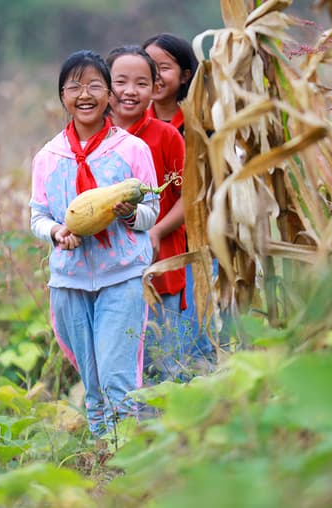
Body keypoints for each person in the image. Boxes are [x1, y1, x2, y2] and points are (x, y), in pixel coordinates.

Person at [29, 49, 159, 437]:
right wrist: (56, 232)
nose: (84, 95)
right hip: (69, 280)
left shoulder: (133, 150)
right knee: (93, 384)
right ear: (62, 96)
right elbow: (38, 216)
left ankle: (127, 455)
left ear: (109, 95)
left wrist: (129, 215)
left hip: (122, 276)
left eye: (94, 86)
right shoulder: (47, 157)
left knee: (118, 378)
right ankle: (103, 459)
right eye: (74, 87)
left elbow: (151, 212)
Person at [106, 45, 187, 383]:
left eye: (141, 83)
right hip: (107, 269)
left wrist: (156, 231)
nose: (130, 91)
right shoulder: (93, 136)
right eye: (120, 82)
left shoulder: (166, 136)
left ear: (154, 88)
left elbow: (188, 198)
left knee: (162, 366)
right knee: (116, 365)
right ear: (105, 86)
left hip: (160, 264)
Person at [142, 33, 217, 367]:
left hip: (197, 247)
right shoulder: (133, 124)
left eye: (164, 68)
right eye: (149, 67)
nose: (155, 76)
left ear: (186, 75)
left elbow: (200, 189)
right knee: (158, 346)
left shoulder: (203, 124)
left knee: (196, 344)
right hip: (151, 249)